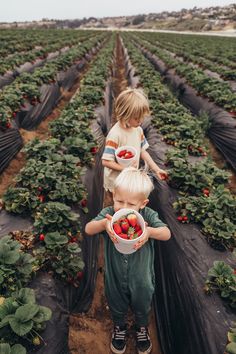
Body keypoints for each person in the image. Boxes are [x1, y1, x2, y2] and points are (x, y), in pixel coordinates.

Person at [85, 167, 171, 354]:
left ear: (143, 203)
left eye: (131, 204)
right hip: (114, 276)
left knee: (142, 302)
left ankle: (141, 327)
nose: (123, 208)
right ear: (113, 195)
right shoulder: (109, 215)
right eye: (119, 201)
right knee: (116, 302)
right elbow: (88, 229)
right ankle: (119, 327)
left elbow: (166, 234)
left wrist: (149, 232)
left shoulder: (147, 216)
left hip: (142, 278)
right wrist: (103, 224)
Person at [102, 88, 168, 193]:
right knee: (118, 204)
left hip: (129, 179)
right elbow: (106, 161)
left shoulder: (138, 130)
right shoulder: (115, 135)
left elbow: (142, 151)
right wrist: (124, 168)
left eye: (142, 117)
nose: (140, 121)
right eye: (137, 118)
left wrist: (156, 169)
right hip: (116, 181)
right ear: (124, 114)